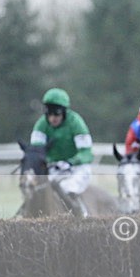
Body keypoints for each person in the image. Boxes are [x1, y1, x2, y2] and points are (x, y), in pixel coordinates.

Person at [29, 87, 94, 218]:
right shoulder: (41, 125)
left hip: (77, 169)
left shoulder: (76, 123)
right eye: (49, 114)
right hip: (53, 169)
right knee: (33, 188)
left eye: (56, 114)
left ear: (64, 112)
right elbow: (36, 152)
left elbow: (86, 153)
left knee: (66, 188)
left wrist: (70, 162)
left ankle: (82, 216)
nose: (52, 118)